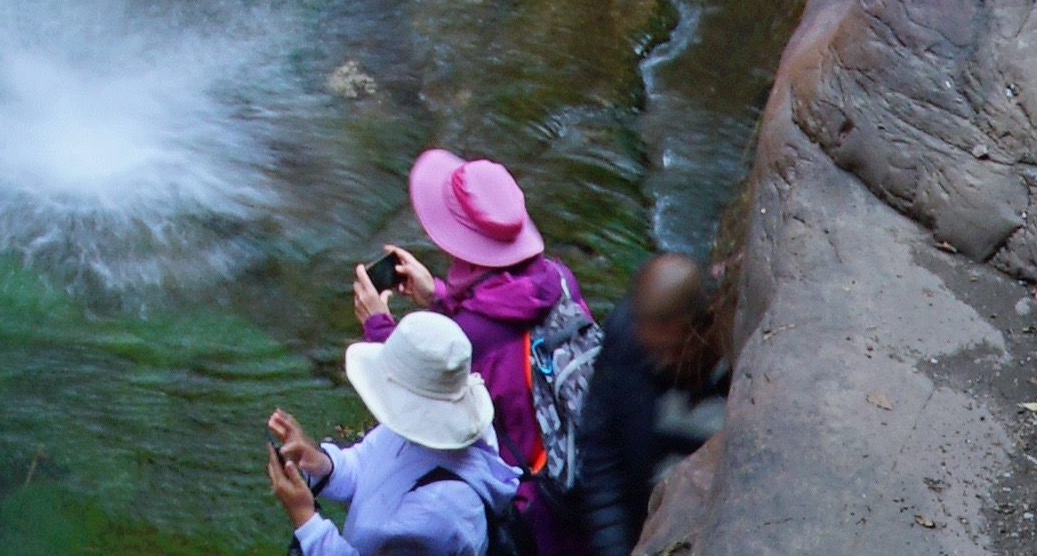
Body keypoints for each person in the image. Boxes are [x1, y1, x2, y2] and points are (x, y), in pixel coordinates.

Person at [355, 154, 589, 551]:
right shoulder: (559, 279)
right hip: (572, 473)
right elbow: (501, 322)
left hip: (525, 511)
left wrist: (379, 328)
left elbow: (416, 401)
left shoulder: (471, 336)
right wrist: (440, 297)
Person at [266, 312, 523, 553]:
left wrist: (306, 519)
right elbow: (366, 462)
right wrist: (320, 463)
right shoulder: (429, 426)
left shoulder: (437, 515)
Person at [576, 253, 729, 556]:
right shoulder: (627, 341)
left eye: (672, 351)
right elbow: (602, 455)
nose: (657, 364)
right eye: (651, 351)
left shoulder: (739, 364)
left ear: (706, 325)